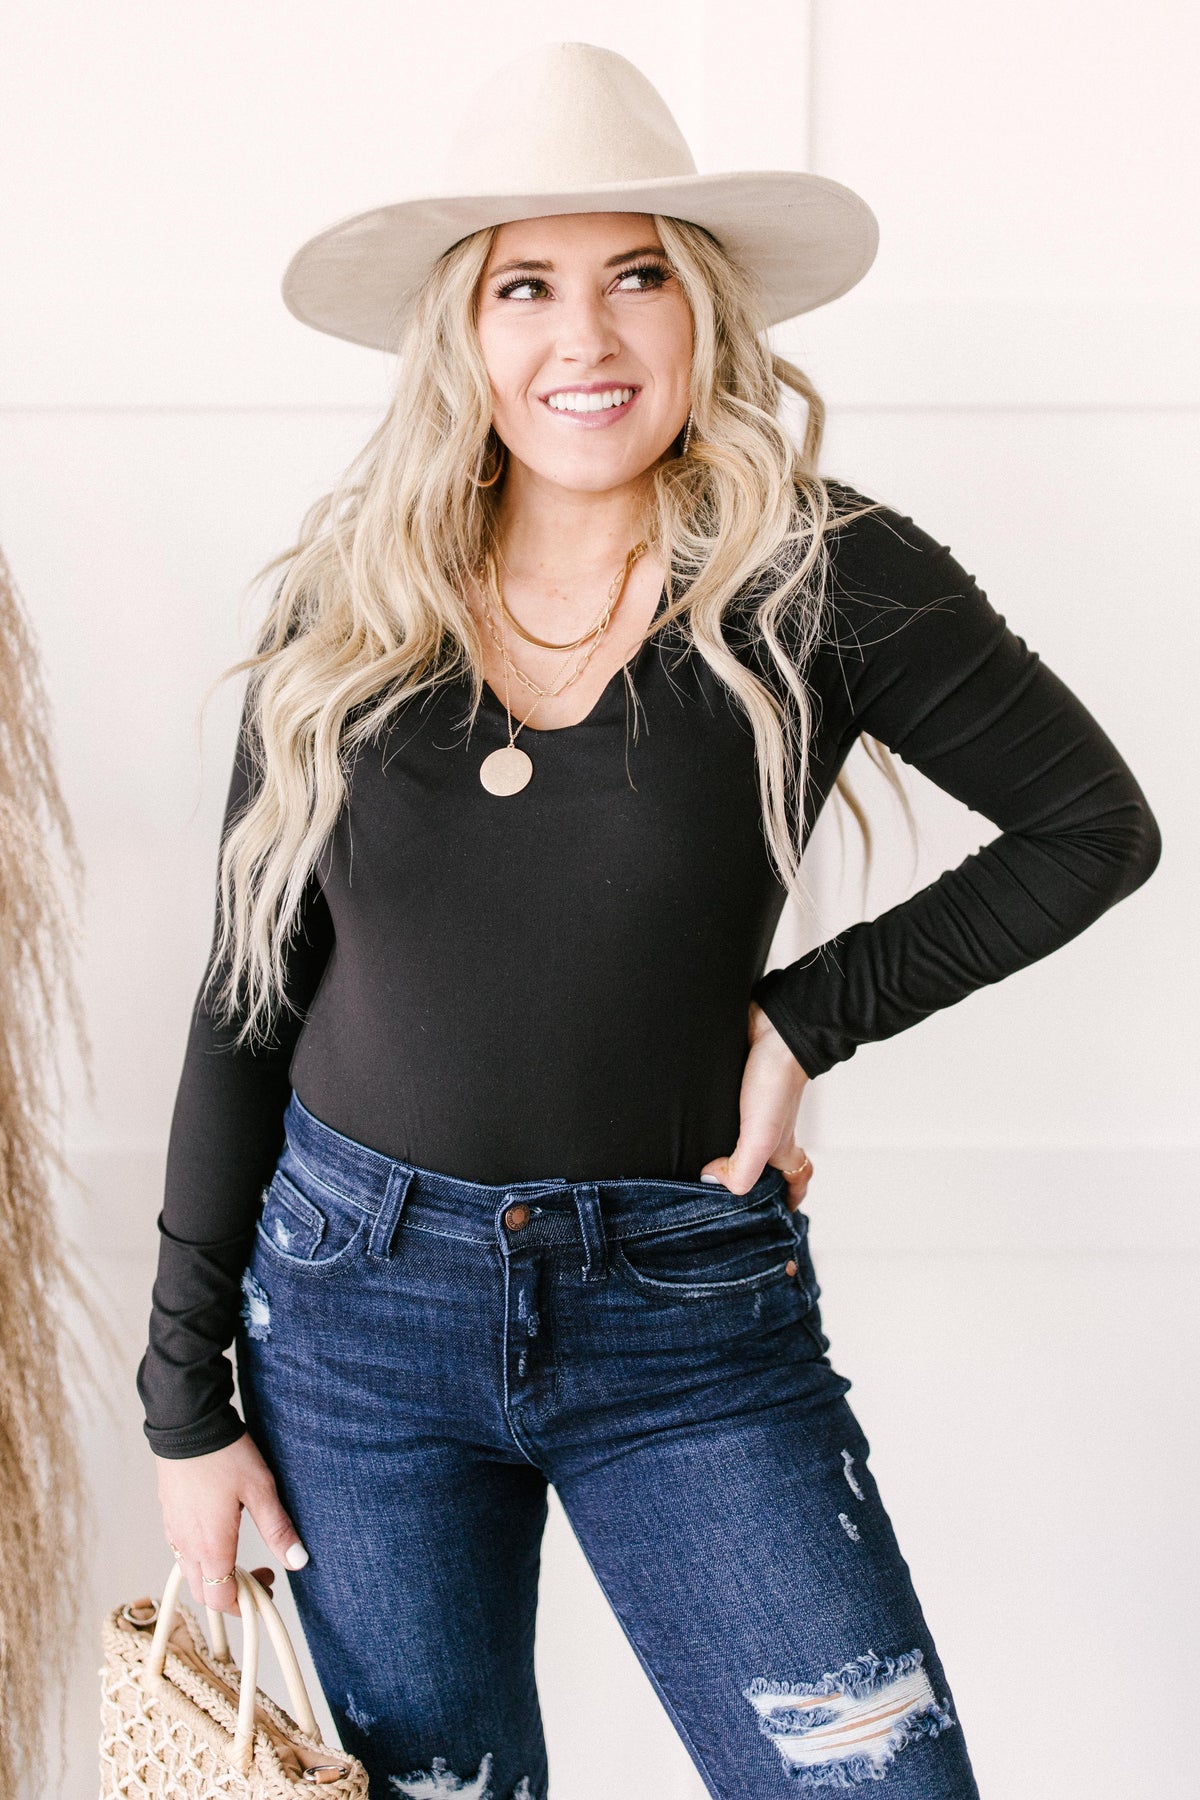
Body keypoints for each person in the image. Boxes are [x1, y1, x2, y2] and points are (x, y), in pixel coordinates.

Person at [139, 42, 1161, 1800]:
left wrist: (813, 1014)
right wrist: (185, 1406)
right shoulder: (349, 607)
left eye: (637, 277)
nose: (587, 338)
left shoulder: (824, 574)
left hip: (684, 1311)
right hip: (353, 1315)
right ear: (463, 331)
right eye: (526, 287)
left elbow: (1094, 828)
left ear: (703, 313)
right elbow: (248, 1004)